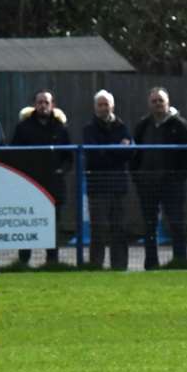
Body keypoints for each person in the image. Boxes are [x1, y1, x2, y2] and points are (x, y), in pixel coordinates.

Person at [131, 87, 187, 269]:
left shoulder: (181, 125)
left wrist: (178, 178)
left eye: (161, 100)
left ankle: (180, 261)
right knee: (149, 226)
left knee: (176, 223)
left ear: (167, 102)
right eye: (154, 101)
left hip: (171, 184)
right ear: (149, 104)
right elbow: (133, 154)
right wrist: (137, 177)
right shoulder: (142, 125)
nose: (158, 104)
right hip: (147, 184)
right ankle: (151, 263)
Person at [11, 90, 71, 267]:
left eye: (46, 102)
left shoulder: (61, 128)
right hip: (30, 184)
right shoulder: (23, 127)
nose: (43, 105)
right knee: (27, 223)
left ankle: (52, 261)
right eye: (40, 102)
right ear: (34, 104)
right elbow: (14, 153)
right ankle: (23, 262)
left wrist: (61, 171)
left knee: (53, 225)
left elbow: (69, 157)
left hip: (54, 186)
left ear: (52, 105)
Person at [82, 90, 134, 270]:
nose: (104, 108)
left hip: (118, 187)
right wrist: (117, 150)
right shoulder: (89, 129)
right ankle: (95, 265)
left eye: (107, 104)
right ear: (95, 107)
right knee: (98, 229)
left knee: (119, 229)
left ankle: (120, 266)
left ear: (112, 106)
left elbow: (130, 152)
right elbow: (94, 156)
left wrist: (109, 151)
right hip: (97, 187)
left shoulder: (122, 126)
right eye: (100, 104)